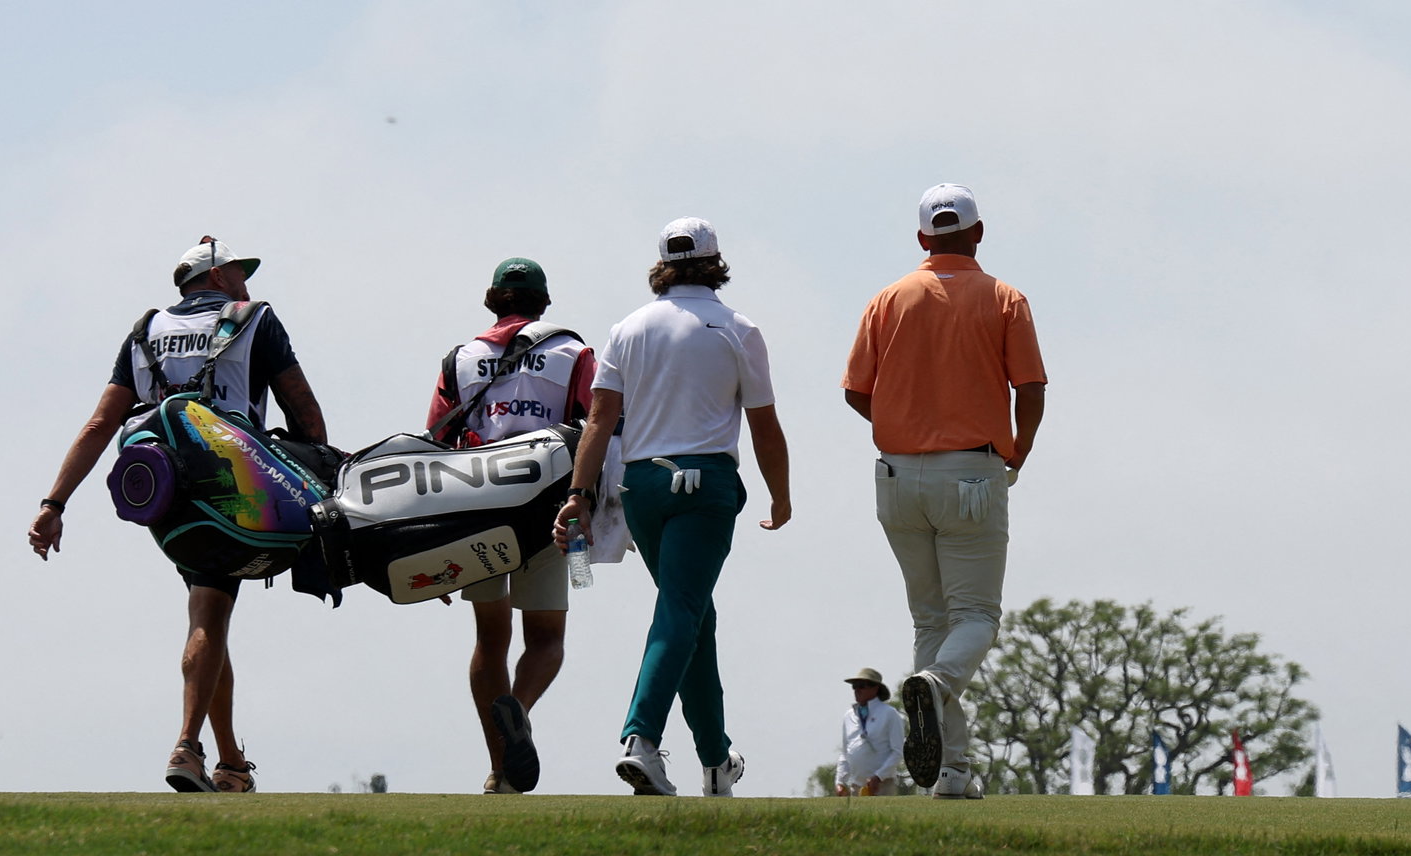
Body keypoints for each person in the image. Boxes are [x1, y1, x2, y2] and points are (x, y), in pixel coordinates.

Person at [27, 236, 328, 793]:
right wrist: (319, 489)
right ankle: (190, 746)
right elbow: (302, 408)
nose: (246, 283)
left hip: (166, 499)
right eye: (239, 272)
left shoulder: (145, 331)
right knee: (212, 614)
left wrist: (54, 504)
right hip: (238, 486)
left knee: (208, 611)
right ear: (215, 278)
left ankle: (228, 763)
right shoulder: (254, 318)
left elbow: (99, 426)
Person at [554, 217, 791, 798]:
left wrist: (578, 497)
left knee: (691, 617)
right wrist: (780, 495)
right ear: (715, 262)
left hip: (640, 490)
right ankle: (641, 739)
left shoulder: (627, 328)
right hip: (702, 483)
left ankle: (715, 761)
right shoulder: (738, 328)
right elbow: (764, 425)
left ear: (662, 264)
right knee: (681, 611)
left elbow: (599, 421)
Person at [841, 184, 1046, 800]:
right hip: (972, 472)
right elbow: (1030, 387)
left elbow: (856, 391)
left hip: (897, 474)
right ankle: (934, 685)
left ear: (923, 238)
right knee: (977, 617)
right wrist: (1021, 445)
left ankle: (953, 772)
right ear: (977, 234)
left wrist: (900, 424)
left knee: (931, 619)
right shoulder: (1004, 298)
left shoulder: (888, 298)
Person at [425, 257, 596, 795]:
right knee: (547, 639)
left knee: (489, 638)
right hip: (553, 511)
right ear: (544, 302)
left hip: (476, 512)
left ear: (491, 300)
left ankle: (501, 770)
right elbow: (600, 430)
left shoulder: (460, 358)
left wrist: (434, 547)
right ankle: (517, 711)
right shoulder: (574, 353)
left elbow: (436, 445)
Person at [834, 668, 904, 797]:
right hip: (856, 785)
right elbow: (845, 753)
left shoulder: (889, 714)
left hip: (882, 786)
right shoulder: (849, 716)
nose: (857, 690)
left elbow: (897, 751)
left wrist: (878, 777)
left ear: (875, 688)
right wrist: (840, 781)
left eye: (861, 686)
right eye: (854, 686)